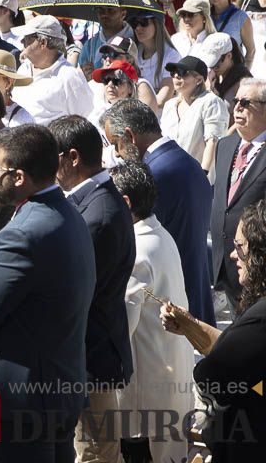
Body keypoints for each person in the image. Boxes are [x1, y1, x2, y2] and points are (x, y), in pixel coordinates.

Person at [0, 124, 96, 463]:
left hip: (19, 405)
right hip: (59, 393)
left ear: (18, 177)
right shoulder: (70, 215)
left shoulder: (21, 235)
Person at [49, 115, 136, 463]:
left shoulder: (97, 215)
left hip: (92, 358)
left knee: (95, 454)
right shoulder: (93, 202)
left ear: (72, 157)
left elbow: (75, 292)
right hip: (89, 353)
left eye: (52, 158)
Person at [162, 201, 266, 463]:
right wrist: (192, 327)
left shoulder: (260, 320)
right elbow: (234, 350)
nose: (232, 255)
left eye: (240, 247)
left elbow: (215, 370)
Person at [101, 97, 216, 326]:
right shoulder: (187, 162)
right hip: (193, 295)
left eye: (116, 143)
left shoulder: (153, 174)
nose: (117, 153)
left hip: (171, 309)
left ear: (130, 135)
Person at [108, 161, 194, 463]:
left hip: (145, 393)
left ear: (125, 203)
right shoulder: (160, 235)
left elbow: (120, 329)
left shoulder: (137, 251)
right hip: (167, 380)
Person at [211, 78, 266, 317]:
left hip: (257, 266)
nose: (238, 108)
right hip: (226, 262)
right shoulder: (225, 145)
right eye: (236, 101)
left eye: (246, 102)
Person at [11, 15, 94, 123]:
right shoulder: (23, 68)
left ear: (43, 43)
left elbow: (85, 118)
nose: (22, 41)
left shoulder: (69, 77)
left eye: (27, 38)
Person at [160, 56, 230, 172]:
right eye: (173, 72)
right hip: (170, 176)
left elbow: (213, 141)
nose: (176, 76)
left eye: (183, 73)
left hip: (197, 177)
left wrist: (203, 174)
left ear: (198, 80)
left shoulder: (211, 102)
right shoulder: (169, 105)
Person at [208, 0, 255, 70]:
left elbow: (251, 51)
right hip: (210, 72)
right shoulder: (206, 16)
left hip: (233, 73)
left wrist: (243, 75)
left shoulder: (240, 17)